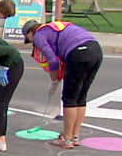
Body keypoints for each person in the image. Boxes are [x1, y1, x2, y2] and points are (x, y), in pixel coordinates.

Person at [23, 19, 103, 149]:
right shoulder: (55, 28)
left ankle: (66, 138)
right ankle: (74, 136)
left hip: (79, 52)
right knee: (81, 96)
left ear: (30, 33)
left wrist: (54, 81)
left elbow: (53, 61)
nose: (33, 43)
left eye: (29, 40)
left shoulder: (39, 35)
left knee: (69, 98)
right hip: (96, 50)